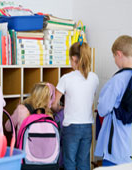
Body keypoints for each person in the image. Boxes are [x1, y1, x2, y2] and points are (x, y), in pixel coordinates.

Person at [94, 35, 132, 166]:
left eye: (114, 56)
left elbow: (103, 109)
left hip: (115, 147)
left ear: (119, 54)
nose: (115, 60)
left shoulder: (117, 80)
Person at [52, 42, 99, 170]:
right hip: (87, 126)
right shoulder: (94, 78)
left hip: (71, 127)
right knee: (83, 162)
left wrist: (60, 108)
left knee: (69, 162)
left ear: (74, 59)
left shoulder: (66, 78)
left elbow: (54, 104)